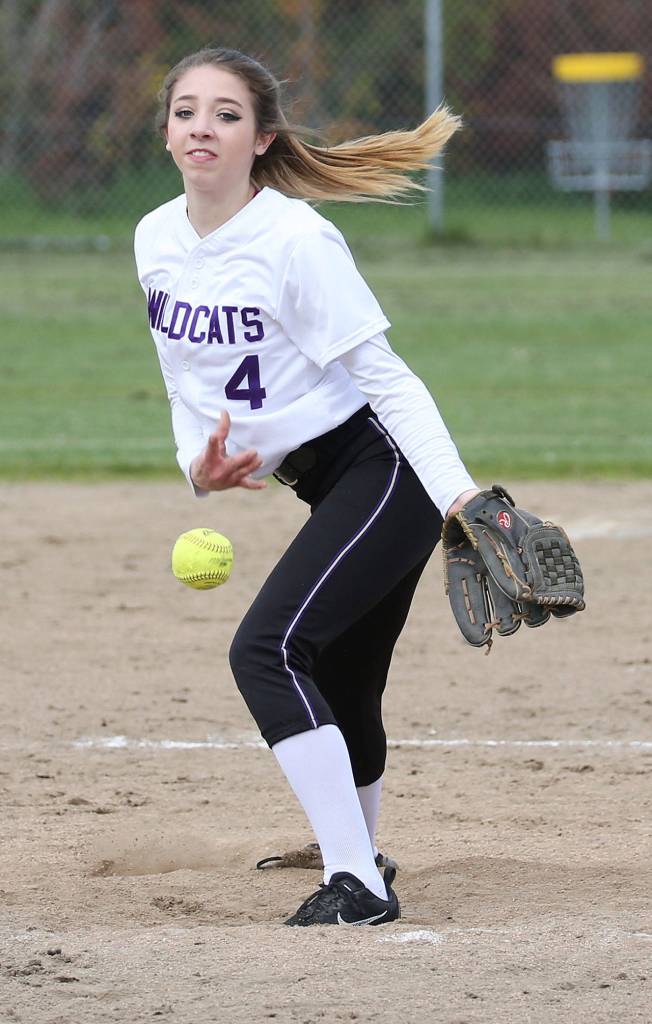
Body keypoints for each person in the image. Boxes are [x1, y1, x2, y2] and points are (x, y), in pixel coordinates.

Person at [134, 46, 479, 927]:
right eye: (186, 111)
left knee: (268, 651)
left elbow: (389, 379)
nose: (200, 127)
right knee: (342, 675)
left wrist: (464, 499)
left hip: (385, 468)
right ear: (167, 128)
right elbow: (186, 381)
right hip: (328, 483)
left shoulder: (295, 239)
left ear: (261, 138)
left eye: (224, 114)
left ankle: (357, 883)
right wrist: (198, 470)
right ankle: (357, 851)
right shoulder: (155, 238)